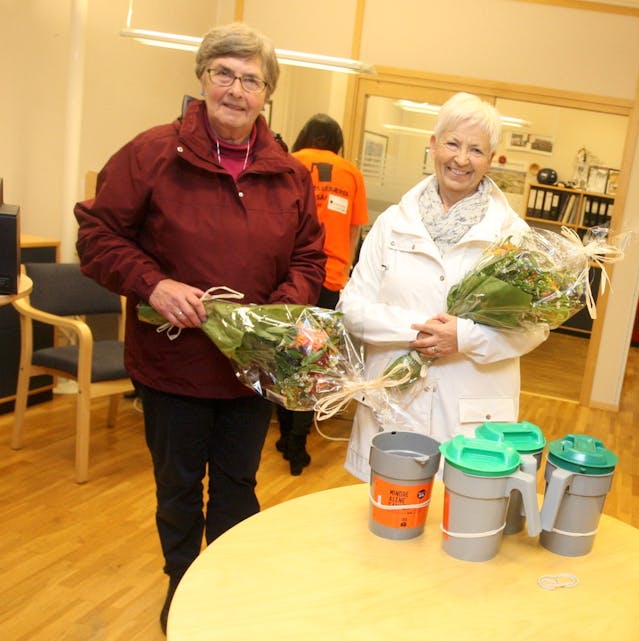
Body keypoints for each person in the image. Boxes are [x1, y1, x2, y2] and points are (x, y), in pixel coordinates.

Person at [74, 23, 325, 634]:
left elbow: (309, 258)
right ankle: (183, 583)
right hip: (173, 366)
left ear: (267, 94)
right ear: (203, 78)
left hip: (251, 370)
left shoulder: (289, 175)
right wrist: (153, 283)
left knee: (238, 485)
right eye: (224, 74)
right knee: (180, 486)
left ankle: (228, 588)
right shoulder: (151, 153)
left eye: (251, 80)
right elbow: (97, 234)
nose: (236, 90)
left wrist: (276, 314)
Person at [337, 92, 549, 482]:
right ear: (433, 145)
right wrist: (426, 332)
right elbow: (352, 308)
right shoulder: (391, 223)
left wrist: (464, 338)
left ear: (491, 158)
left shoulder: (512, 236)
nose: (461, 159)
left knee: (459, 516)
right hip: (393, 401)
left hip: (471, 411)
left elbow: (534, 328)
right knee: (386, 519)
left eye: (476, 150)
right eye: (452, 143)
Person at [274, 113, 368, 475]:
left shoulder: (289, 163)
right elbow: (355, 232)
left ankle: (284, 435)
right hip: (329, 280)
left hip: (290, 279)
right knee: (314, 363)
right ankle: (298, 444)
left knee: (285, 359)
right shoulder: (351, 172)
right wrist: (343, 273)